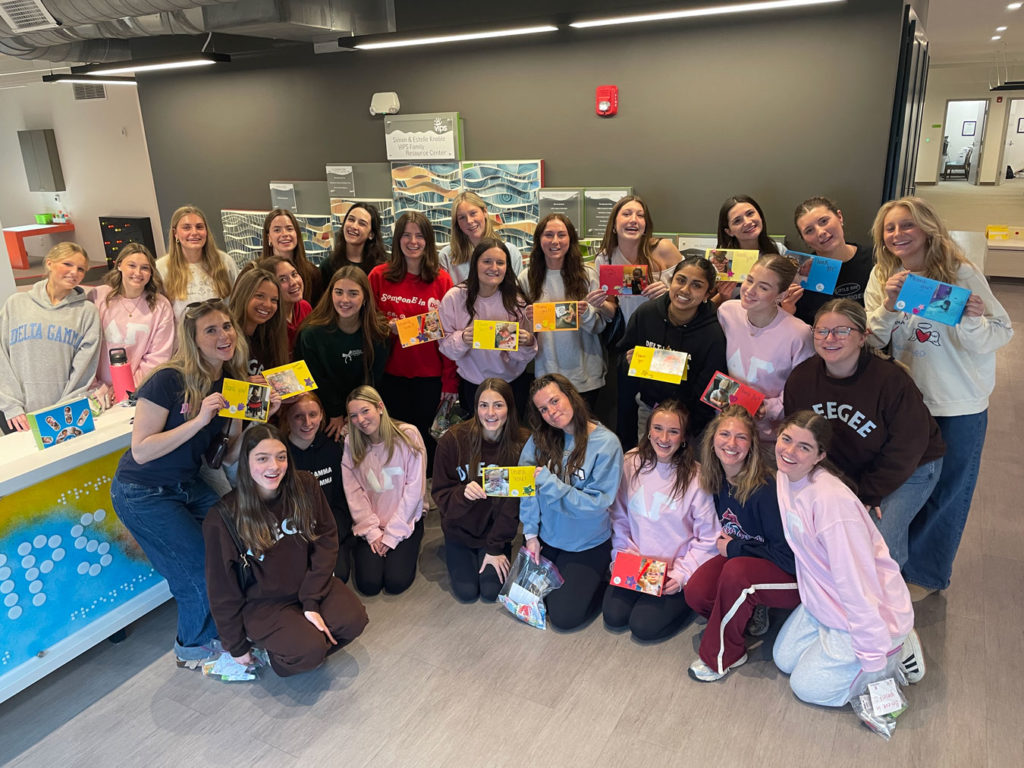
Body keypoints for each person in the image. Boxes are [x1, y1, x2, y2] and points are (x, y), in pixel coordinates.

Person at [864, 196, 1013, 599]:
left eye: (907, 225)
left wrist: (971, 321)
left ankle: (928, 575)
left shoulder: (960, 272)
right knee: (903, 486)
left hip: (959, 402)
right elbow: (874, 339)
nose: (898, 234)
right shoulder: (882, 275)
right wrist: (891, 307)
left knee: (949, 490)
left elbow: (1001, 331)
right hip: (907, 402)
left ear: (927, 227)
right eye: (890, 228)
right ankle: (893, 562)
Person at [110, 298, 255, 668]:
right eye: (211, 330)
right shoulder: (167, 380)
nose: (224, 336)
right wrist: (200, 418)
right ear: (192, 339)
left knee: (237, 542)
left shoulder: (229, 380)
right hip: (143, 492)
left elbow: (224, 457)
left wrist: (243, 414)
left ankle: (231, 628)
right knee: (197, 569)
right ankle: (192, 647)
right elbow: (141, 451)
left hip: (185, 485)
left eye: (227, 326)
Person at [784, 299, 945, 569]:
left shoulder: (891, 380)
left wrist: (870, 493)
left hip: (909, 469)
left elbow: (907, 447)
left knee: (875, 544)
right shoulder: (801, 379)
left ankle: (886, 603)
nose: (830, 338)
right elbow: (800, 438)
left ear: (862, 336)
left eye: (842, 331)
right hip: (847, 469)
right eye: (822, 331)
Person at [772, 411, 917, 707]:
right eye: (786, 439)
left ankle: (897, 644)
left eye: (804, 447)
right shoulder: (784, 477)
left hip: (865, 610)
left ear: (819, 456)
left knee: (806, 687)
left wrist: (874, 657)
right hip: (823, 601)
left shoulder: (832, 505)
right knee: (783, 660)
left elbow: (856, 584)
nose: (789, 452)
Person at [203, 424, 368, 677]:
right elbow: (221, 588)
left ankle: (303, 636)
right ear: (245, 462)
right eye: (262, 458)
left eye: (281, 457)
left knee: (354, 621)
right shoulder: (222, 517)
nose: (274, 466)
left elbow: (326, 539)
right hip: (264, 604)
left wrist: (311, 599)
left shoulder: (305, 486)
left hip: (310, 585)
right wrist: (235, 645)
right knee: (309, 650)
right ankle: (277, 652)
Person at [684, 406, 799, 682]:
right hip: (751, 558)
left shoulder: (764, 489)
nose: (731, 443)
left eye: (741, 437)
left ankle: (723, 655)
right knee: (697, 592)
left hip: (796, 575)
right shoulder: (718, 479)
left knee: (737, 576)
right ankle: (751, 610)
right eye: (724, 434)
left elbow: (788, 558)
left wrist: (736, 549)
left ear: (751, 445)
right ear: (712, 439)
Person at [602, 400, 719, 642]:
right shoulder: (631, 462)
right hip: (636, 565)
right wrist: (622, 555)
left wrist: (682, 576)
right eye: (657, 428)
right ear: (648, 430)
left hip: (673, 571)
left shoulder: (697, 478)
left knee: (643, 626)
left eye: (673, 431)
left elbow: (708, 536)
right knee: (614, 616)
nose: (663, 437)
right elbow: (620, 516)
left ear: (684, 437)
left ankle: (685, 602)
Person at [519, 374, 624, 630]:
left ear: (571, 395)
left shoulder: (606, 444)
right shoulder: (539, 438)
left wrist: (550, 483)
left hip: (587, 542)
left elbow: (595, 504)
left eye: (555, 401)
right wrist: (530, 534)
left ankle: (600, 579)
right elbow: (526, 486)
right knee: (526, 603)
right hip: (548, 537)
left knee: (564, 619)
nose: (552, 412)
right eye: (543, 409)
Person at [369, 211, 457, 471]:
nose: (413, 241)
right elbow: (364, 323)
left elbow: (449, 335)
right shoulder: (378, 276)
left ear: (428, 241)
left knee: (428, 445)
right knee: (395, 444)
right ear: (397, 239)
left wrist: (450, 381)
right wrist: (387, 327)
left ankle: (427, 501)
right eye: (406, 235)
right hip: (389, 376)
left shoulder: (442, 280)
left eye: (419, 236)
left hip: (429, 378)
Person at [431, 378, 529, 602]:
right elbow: (440, 494)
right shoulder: (453, 440)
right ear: (475, 408)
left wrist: (495, 548)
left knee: (490, 591)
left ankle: (488, 551)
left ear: (510, 408)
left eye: (498, 405)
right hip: (460, 530)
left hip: (496, 533)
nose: (490, 413)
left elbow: (512, 505)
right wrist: (462, 494)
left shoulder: (522, 444)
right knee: (467, 592)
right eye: (483, 405)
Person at [617, 255, 727, 447]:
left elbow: (711, 388)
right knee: (648, 467)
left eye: (697, 285)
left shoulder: (713, 333)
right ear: (671, 280)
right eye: (680, 280)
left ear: (707, 294)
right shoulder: (646, 314)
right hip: (649, 410)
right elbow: (622, 355)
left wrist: (689, 426)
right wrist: (629, 361)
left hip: (690, 419)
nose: (685, 290)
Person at [0, 242, 100, 432]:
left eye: (81, 269)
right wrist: (11, 405)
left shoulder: (87, 312)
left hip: (62, 414)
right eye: (68, 264)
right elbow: (2, 358)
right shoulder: (16, 304)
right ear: (49, 263)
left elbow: (84, 369)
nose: (74, 272)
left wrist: (62, 408)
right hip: (16, 415)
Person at [519, 214, 615, 410]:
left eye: (561, 235)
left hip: (585, 374)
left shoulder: (587, 275)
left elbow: (600, 326)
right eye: (549, 235)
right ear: (539, 240)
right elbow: (524, 333)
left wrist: (585, 313)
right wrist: (528, 322)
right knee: (552, 437)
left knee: (584, 436)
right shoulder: (526, 278)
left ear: (570, 239)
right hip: (546, 375)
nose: (555, 241)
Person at [717, 253, 814, 442]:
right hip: (726, 426)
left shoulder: (799, 334)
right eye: (750, 280)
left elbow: (802, 391)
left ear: (781, 295)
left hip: (769, 435)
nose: (750, 291)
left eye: (763, 287)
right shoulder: (727, 312)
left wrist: (768, 408)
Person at [341, 386, 427, 596]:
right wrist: (373, 532)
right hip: (372, 523)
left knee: (396, 582)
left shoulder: (408, 435)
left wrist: (392, 535)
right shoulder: (351, 443)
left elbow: (414, 490)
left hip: (405, 521)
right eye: (353, 416)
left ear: (379, 407)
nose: (360, 420)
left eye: (365, 411)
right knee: (369, 584)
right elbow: (354, 493)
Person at [439, 238, 538, 416]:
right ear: (475, 264)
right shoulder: (454, 297)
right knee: (476, 439)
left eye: (500, 262)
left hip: (511, 384)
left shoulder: (517, 300)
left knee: (510, 439)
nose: (494, 268)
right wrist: (462, 339)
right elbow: (446, 347)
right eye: (487, 261)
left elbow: (523, 357)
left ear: (507, 267)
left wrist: (527, 342)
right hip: (472, 385)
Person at [295, 266, 390, 440]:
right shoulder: (312, 333)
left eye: (353, 294)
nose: (344, 299)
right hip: (326, 411)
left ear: (365, 298)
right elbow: (315, 379)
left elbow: (374, 377)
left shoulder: (378, 331)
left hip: (363, 407)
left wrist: (356, 414)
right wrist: (336, 413)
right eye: (338, 292)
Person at [88, 243, 175, 405]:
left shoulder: (160, 306)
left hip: (138, 391)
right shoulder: (97, 297)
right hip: (95, 392)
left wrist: (126, 387)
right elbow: (85, 348)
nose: (138, 273)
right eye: (132, 266)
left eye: (145, 268)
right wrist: (97, 387)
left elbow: (158, 357)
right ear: (119, 265)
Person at [281, 392, 354, 581]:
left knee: (339, 577)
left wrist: (332, 533)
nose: (307, 422)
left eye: (313, 414)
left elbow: (342, 500)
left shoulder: (332, 450)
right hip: (295, 533)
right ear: (287, 419)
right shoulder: (280, 455)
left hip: (330, 531)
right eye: (298, 416)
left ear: (322, 415)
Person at [592, 195, 683, 325]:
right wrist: (600, 304)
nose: (634, 220)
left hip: (669, 330)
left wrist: (668, 294)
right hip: (632, 334)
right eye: (626, 214)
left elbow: (691, 292)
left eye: (640, 215)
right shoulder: (606, 258)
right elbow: (613, 311)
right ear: (613, 224)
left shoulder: (664, 248)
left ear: (646, 226)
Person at [791, 196, 875, 325]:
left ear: (839, 217)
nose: (820, 232)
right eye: (809, 230)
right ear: (804, 239)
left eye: (824, 221)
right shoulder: (802, 274)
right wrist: (787, 308)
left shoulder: (875, 258)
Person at [156, 205, 238, 319]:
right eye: (186, 227)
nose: (194, 232)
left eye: (199, 227)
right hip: (181, 336)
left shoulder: (225, 262)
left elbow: (238, 304)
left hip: (220, 335)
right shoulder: (161, 268)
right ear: (175, 233)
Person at [438, 190, 524, 284]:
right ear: (457, 223)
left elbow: (517, 295)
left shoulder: (511, 253)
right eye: (462, 217)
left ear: (485, 212)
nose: (469, 221)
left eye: (473, 213)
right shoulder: (446, 256)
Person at [711, 195, 783, 307]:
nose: (748, 222)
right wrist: (724, 296)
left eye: (750, 213)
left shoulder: (780, 251)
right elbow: (711, 304)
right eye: (737, 221)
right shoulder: (721, 260)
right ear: (729, 231)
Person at [228, 267, 288, 376]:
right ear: (243, 295)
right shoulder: (226, 338)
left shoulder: (270, 337)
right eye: (260, 296)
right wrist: (243, 385)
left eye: (274, 300)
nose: (268, 305)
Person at [261, 208, 322, 305]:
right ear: (269, 237)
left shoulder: (312, 273)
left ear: (297, 234)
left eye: (289, 229)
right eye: (277, 230)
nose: (284, 234)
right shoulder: (255, 271)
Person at [257, 255, 311, 354]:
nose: (293, 282)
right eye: (282, 279)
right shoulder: (266, 319)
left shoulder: (305, 307)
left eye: (294, 274)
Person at [324, 202, 387, 279]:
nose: (354, 226)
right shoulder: (328, 265)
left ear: (371, 234)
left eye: (362, 224)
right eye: (351, 219)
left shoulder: (381, 268)